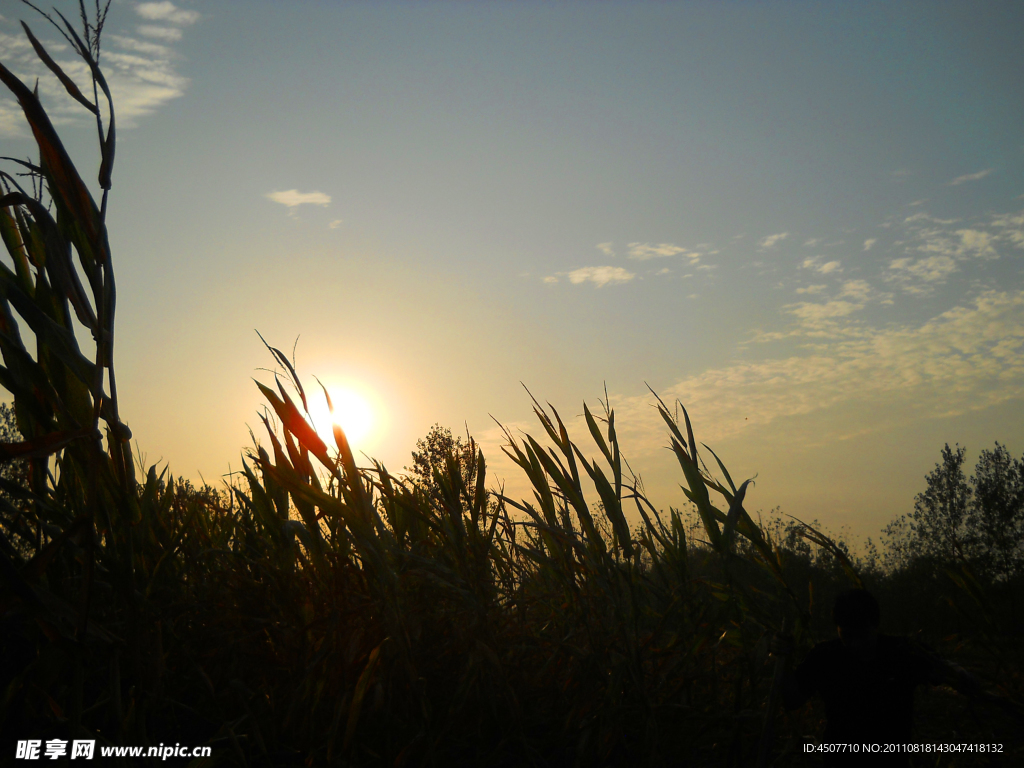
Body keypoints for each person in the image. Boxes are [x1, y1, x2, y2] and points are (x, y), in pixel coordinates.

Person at [772, 589, 980, 766]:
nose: (854, 644)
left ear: (875, 626)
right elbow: (793, 700)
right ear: (837, 629)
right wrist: (784, 661)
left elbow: (943, 668)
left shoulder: (903, 652)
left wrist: (962, 675)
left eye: (861, 636)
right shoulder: (824, 657)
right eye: (847, 636)